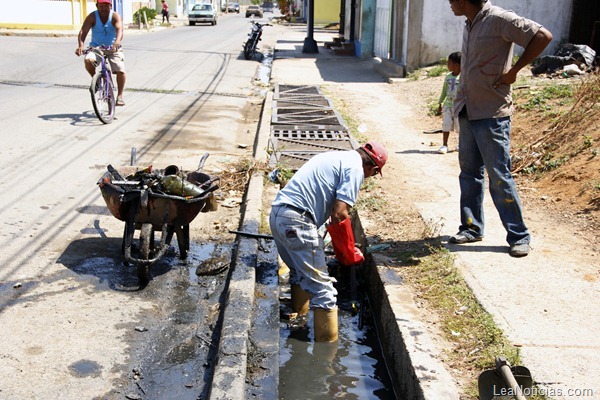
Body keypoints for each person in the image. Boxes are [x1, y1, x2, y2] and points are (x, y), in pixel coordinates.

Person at [448, 0, 553, 257]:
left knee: (499, 176)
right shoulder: (470, 23)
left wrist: (515, 71)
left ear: (463, 0)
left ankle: (519, 235)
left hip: (492, 112)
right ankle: (472, 228)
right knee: (469, 173)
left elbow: (542, 36)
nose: (449, 4)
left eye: (451, 0)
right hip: (468, 109)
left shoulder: (499, 19)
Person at [269, 141, 388, 342]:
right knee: (325, 293)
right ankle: (326, 356)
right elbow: (340, 214)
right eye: (373, 174)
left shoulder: (334, 157)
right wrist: (347, 252)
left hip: (278, 215)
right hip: (297, 221)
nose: (368, 177)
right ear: (373, 169)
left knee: (299, 272)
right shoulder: (356, 169)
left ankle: (299, 315)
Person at [75, 0, 126, 106]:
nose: (103, 8)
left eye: (106, 6)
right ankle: (96, 81)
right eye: (101, 6)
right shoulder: (92, 16)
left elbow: (119, 30)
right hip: (96, 48)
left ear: (110, 6)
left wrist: (116, 43)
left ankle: (120, 96)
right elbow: (83, 32)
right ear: (97, 6)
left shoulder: (115, 16)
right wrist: (80, 45)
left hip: (113, 48)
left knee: (120, 68)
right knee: (88, 60)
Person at [437, 51, 461, 154]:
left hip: (459, 106)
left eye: (449, 63)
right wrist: (440, 102)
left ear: (456, 65)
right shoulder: (448, 77)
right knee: (446, 125)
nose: (447, 65)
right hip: (448, 105)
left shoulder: (463, 77)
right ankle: (444, 145)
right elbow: (444, 90)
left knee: (460, 127)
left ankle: (460, 145)